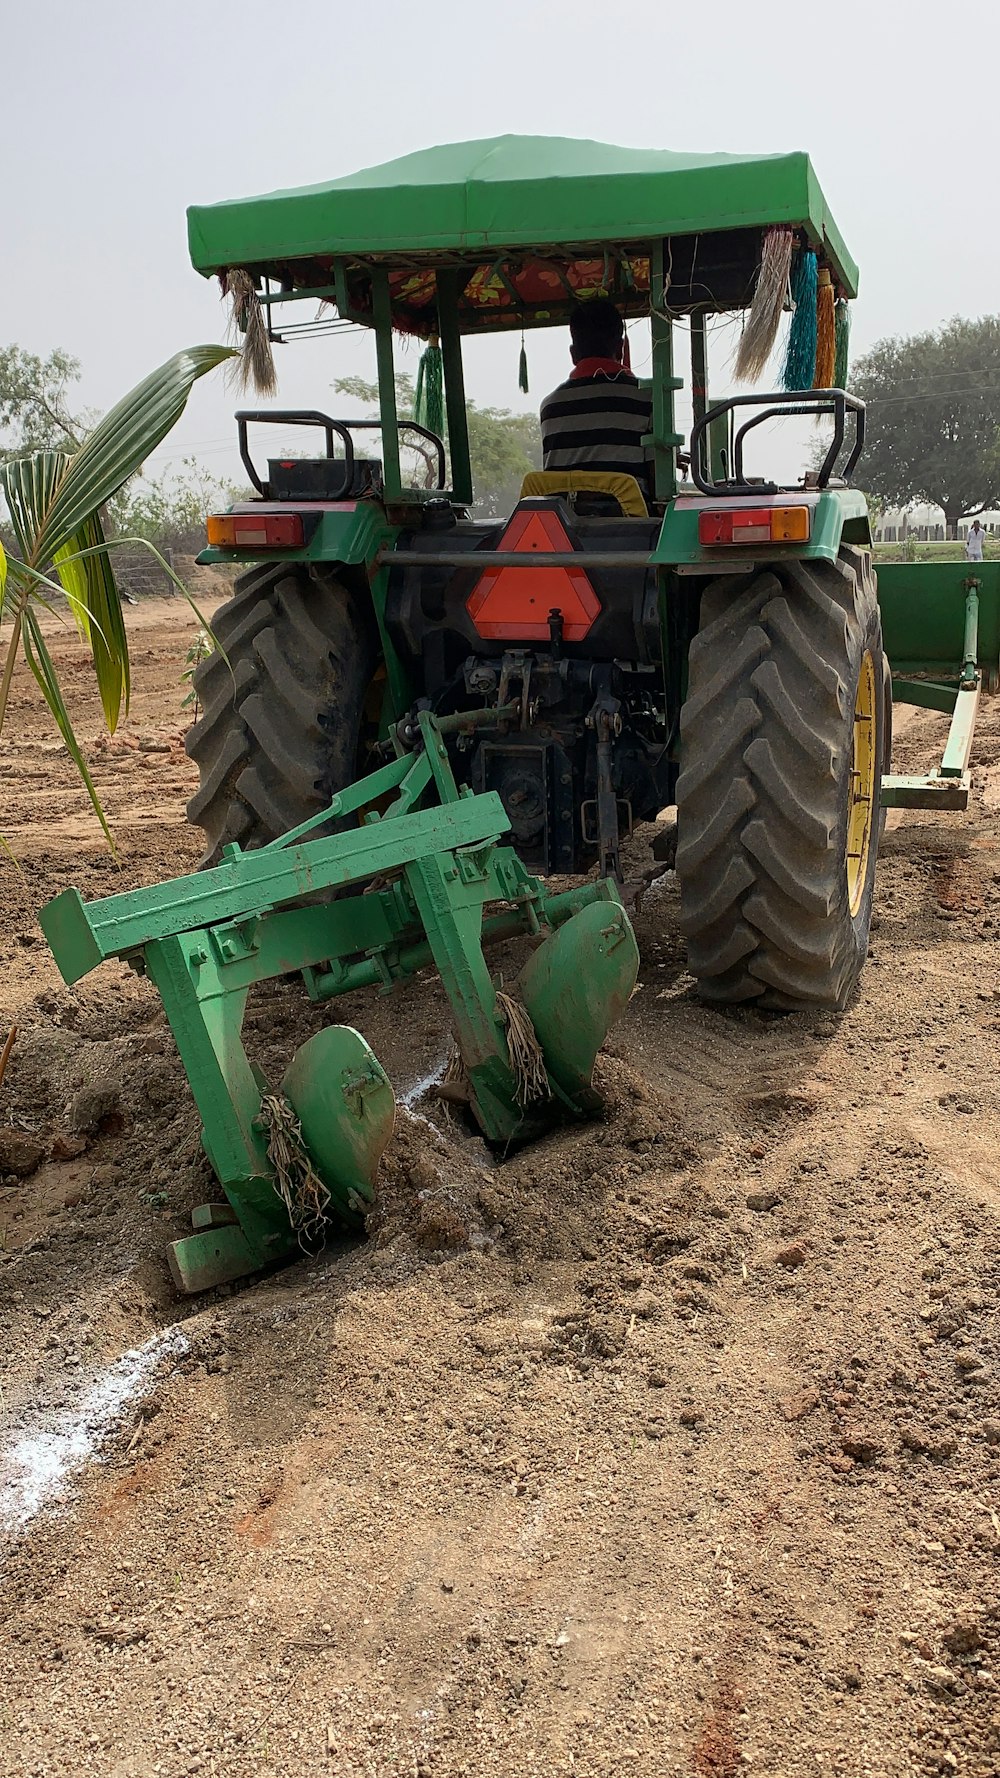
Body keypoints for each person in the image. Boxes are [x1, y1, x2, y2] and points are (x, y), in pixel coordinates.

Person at [540, 299, 653, 496]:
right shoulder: (647, 397)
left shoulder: (550, 406)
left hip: (562, 522)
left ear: (573, 354)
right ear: (620, 348)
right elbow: (656, 481)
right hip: (630, 522)